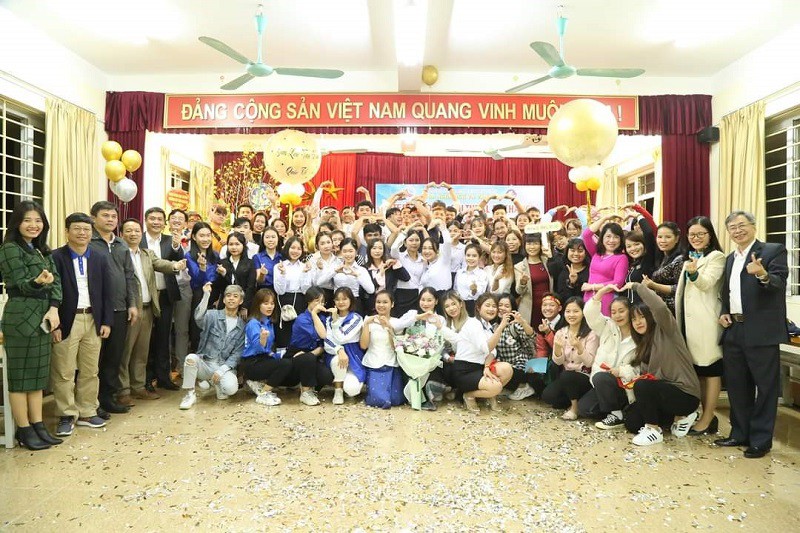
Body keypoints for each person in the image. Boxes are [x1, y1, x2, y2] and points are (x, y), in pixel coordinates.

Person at [716, 211, 788, 458]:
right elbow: (729, 292)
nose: (738, 231)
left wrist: (762, 274)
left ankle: (760, 440)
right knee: (737, 386)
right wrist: (724, 312)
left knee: (765, 388)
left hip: (761, 331)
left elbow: (779, 283)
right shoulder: (730, 259)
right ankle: (740, 433)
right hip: (734, 328)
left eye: (742, 225)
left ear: (754, 226)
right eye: (732, 228)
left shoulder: (772, 251)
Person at [0, 201, 63, 449]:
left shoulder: (41, 250)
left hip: (42, 316)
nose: (33, 225)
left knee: (37, 376)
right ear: (17, 223)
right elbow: (19, 283)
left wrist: (54, 307)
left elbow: (56, 282)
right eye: (27, 220)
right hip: (20, 316)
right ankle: (24, 430)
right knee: (20, 377)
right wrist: (37, 282)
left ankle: (38, 425)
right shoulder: (9, 248)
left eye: (38, 221)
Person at [622, 283, 702, 447]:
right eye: (634, 319)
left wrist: (637, 286)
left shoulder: (666, 329)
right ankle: (678, 418)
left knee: (642, 385)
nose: (638, 322)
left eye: (641, 317)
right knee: (632, 420)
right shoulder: (643, 344)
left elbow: (659, 307)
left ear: (650, 316)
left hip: (685, 394)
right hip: (665, 395)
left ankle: (654, 430)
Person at [118, 218, 186, 406]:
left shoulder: (146, 254)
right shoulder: (118, 254)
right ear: (122, 234)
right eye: (129, 231)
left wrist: (175, 266)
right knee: (125, 352)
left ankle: (138, 387)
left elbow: (161, 263)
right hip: (130, 310)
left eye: (136, 230)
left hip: (148, 309)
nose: (133, 234)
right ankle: (122, 390)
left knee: (141, 352)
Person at [675, 216, 725, 435]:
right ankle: (703, 414)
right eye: (692, 234)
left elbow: (706, 284)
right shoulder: (691, 257)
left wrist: (694, 272)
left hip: (706, 323)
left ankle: (708, 416)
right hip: (688, 323)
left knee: (711, 369)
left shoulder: (717, 257)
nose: (695, 238)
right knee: (698, 371)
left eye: (700, 234)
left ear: (710, 235)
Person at [89, 201, 138, 415]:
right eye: (105, 215)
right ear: (93, 218)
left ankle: (107, 398)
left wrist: (132, 304)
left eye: (113, 216)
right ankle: (89, 402)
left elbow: (129, 276)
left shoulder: (121, 244)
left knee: (113, 357)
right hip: (94, 310)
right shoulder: (88, 242)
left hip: (119, 308)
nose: (110, 220)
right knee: (92, 359)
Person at [439, 290, 513, 413]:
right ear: (478, 308)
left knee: (507, 369)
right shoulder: (473, 323)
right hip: (464, 370)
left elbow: (493, 352)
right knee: (496, 386)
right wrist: (501, 327)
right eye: (487, 305)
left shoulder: (488, 326)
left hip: (479, 367)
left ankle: (488, 395)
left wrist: (487, 366)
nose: (491, 309)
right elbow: (486, 348)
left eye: (494, 306)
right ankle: (469, 395)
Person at [179, 283, 246, 409]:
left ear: (240, 301)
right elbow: (198, 318)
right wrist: (206, 295)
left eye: (235, 296)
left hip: (223, 366)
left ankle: (216, 383)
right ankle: (190, 394)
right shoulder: (212, 315)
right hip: (206, 363)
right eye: (228, 295)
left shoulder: (242, 326)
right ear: (224, 299)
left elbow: (237, 353)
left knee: (231, 389)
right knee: (190, 359)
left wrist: (221, 370)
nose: (231, 298)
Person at [141, 207, 185, 392]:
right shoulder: (139, 239)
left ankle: (163, 377)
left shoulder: (169, 240)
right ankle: (145, 379)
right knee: (145, 339)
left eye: (160, 219)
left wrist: (176, 246)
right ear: (145, 220)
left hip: (165, 294)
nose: (156, 222)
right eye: (152, 218)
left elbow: (179, 261)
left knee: (163, 336)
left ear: (164, 223)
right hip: (144, 296)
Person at [541, 298, 599, 420]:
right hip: (566, 376)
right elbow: (558, 362)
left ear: (583, 313)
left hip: (584, 376)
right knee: (548, 396)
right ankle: (576, 399)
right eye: (568, 311)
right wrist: (557, 348)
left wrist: (579, 347)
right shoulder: (561, 332)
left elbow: (589, 363)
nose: (571, 315)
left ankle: (574, 408)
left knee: (567, 376)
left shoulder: (591, 333)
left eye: (576, 311)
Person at [360, 291, 414, 408]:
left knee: (396, 400)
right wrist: (366, 325)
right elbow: (364, 345)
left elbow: (395, 347)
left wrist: (389, 328)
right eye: (378, 302)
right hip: (374, 363)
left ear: (392, 304)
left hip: (391, 363)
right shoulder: (368, 320)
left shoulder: (397, 322)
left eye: (385, 302)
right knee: (379, 400)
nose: (381, 305)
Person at [284, 287, 335, 406]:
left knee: (327, 376)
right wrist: (314, 314)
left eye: (322, 302)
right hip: (296, 354)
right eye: (317, 301)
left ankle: (311, 388)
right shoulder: (301, 319)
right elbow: (320, 335)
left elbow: (326, 341)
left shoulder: (323, 318)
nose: (320, 305)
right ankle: (305, 392)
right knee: (308, 358)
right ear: (309, 301)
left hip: (313, 354)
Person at [240, 288, 292, 406]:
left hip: (264, 358)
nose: (270, 306)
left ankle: (260, 384)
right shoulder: (253, 323)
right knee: (285, 364)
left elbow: (268, 349)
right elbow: (257, 348)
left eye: (272, 303)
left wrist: (277, 355)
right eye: (266, 303)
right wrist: (262, 339)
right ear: (258, 305)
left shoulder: (268, 322)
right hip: (252, 362)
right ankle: (263, 393)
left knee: (288, 360)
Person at [315, 287, 366, 405]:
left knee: (352, 390)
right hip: (334, 354)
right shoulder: (328, 319)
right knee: (338, 360)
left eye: (344, 299)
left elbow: (342, 338)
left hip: (353, 356)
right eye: (337, 299)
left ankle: (345, 385)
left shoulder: (356, 318)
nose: (341, 302)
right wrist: (339, 350)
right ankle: (338, 391)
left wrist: (335, 322)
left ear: (351, 300)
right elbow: (327, 341)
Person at [493, 293, 538, 401]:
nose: (502, 308)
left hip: (521, 366)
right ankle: (511, 387)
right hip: (505, 364)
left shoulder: (515, 325)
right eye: (500, 305)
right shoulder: (494, 326)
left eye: (507, 306)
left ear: (512, 309)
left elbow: (531, 336)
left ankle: (523, 387)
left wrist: (523, 322)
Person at [582, 217, 628, 315]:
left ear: (621, 240)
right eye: (608, 236)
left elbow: (617, 283)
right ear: (602, 238)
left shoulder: (621, 258)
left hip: (606, 299)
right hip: (589, 297)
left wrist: (592, 287)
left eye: (616, 237)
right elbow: (586, 235)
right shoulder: (596, 253)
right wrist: (604, 218)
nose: (611, 240)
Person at [185, 222, 219, 352]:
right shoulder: (189, 256)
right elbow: (197, 280)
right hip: (199, 295)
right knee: (198, 330)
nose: (206, 239)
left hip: (214, 294)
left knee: (213, 330)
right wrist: (202, 268)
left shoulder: (215, 255)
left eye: (208, 235)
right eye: (202, 235)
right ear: (194, 237)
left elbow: (217, 277)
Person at [273, 237, 313, 347]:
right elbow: (279, 291)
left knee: (297, 331)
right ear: (287, 248)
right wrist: (282, 273)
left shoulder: (305, 267)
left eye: (299, 248)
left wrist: (305, 273)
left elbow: (305, 290)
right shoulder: (279, 266)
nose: (295, 251)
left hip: (300, 300)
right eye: (293, 248)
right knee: (283, 333)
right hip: (283, 301)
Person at [642, 222, 684, 314]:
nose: (663, 241)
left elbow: (680, 288)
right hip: (660, 308)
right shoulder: (662, 257)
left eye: (668, 237)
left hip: (673, 311)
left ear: (676, 239)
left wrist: (654, 285)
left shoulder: (680, 260)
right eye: (660, 237)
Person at [515, 233, 554, 327]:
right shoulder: (519, 266)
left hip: (549, 307)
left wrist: (551, 257)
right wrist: (522, 282)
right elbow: (519, 291)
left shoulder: (547, 261)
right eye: (529, 244)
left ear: (540, 245)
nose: (532, 247)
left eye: (535, 243)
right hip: (529, 308)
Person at [213, 231, 257, 313]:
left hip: (243, 303)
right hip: (225, 303)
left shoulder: (250, 263)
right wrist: (223, 274)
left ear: (243, 245)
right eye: (231, 244)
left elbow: (250, 287)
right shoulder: (222, 263)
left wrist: (245, 306)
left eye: (237, 244)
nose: (234, 247)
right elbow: (219, 286)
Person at [389, 223, 426, 317]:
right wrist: (407, 229)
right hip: (402, 294)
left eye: (417, 240)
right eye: (411, 240)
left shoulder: (423, 259)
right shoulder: (400, 256)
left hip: (417, 295)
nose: (414, 243)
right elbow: (393, 247)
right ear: (405, 243)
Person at [454, 243, 489, 316]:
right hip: (459, 305)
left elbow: (480, 294)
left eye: (474, 256)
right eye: (468, 255)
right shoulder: (459, 272)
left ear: (479, 257)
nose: (470, 258)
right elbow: (455, 289)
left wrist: (474, 290)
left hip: (474, 306)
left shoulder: (482, 274)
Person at [556, 238, 590, 303]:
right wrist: (571, 284)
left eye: (580, 251)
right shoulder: (562, 269)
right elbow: (562, 297)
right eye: (572, 250)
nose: (576, 254)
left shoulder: (591, 270)